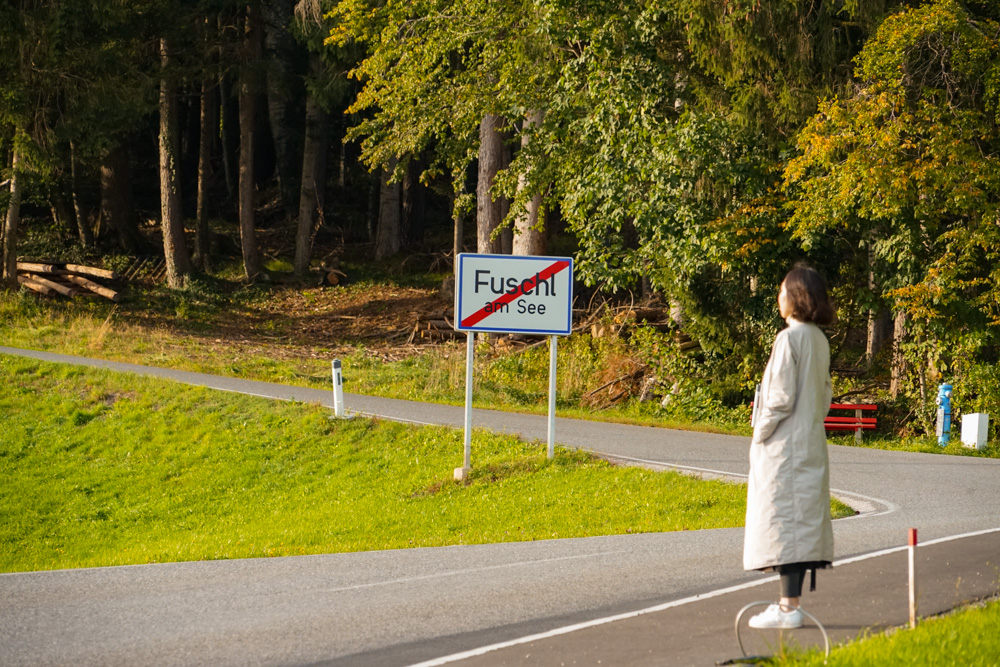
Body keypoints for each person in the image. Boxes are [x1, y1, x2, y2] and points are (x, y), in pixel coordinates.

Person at [745, 264, 836, 630]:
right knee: (798, 525)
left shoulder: (789, 339)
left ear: (796, 296)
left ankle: (788, 608)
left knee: (782, 523)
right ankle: (788, 604)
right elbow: (825, 395)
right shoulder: (818, 339)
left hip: (784, 447)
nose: (778, 297)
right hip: (809, 441)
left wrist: (760, 432)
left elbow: (779, 398)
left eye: (783, 290)